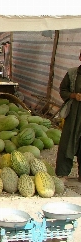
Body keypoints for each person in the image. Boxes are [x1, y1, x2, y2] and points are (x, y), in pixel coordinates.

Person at [55, 49, 81, 183]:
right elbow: (63, 90)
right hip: (73, 114)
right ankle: (62, 173)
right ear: (80, 57)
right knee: (67, 143)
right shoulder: (72, 73)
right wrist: (74, 96)